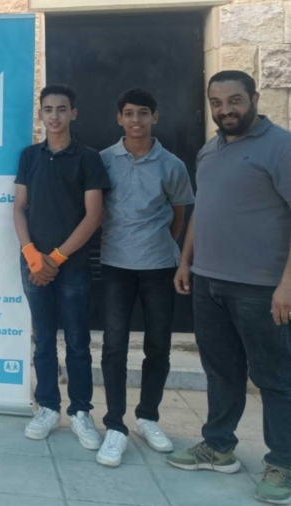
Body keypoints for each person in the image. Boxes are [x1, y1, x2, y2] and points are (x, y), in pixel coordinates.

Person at [169, 70, 291, 504]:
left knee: (275, 378)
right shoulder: (210, 149)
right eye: (217, 103)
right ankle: (218, 446)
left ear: (254, 98)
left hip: (261, 288)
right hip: (209, 281)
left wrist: (287, 284)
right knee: (221, 371)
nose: (225, 110)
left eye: (235, 100)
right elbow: (202, 209)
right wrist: (187, 261)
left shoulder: (281, 146)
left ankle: (284, 463)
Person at [95, 89, 195, 467]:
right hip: (115, 265)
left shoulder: (172, 165)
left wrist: (162, 246)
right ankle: (115, 424)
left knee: (158, 346)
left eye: (142, 113)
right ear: (119, 118)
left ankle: (148, 417)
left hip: (158, 266)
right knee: (114, 347)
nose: (135, 120)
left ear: (155, 116)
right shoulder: (104, 160)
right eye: (129, 114)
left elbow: (180, 214)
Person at [14, 84, 110, 450]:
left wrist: (53, 259)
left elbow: (94, 215)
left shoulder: (88, 158)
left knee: (77, 341)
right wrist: (33, 256)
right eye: (48, 109)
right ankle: (48, 407)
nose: (54, 116)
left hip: (72, 266)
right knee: (42, 340)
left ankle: (81, 411)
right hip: (34, 264)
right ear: (40, 114)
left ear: (74, 113)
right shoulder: (29, 156)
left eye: (61, 109)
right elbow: (18, 208)